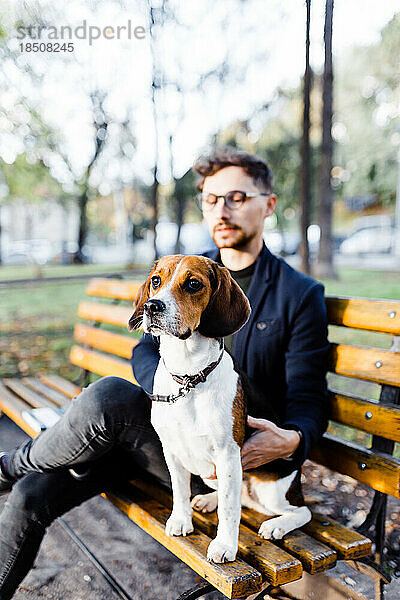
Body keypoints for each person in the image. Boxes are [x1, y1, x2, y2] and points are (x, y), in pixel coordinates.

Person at [0, 147, 329, 599]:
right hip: (163, 435)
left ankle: (9, 464)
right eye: (210, 199)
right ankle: (17, 473)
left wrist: (291, 439)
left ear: (268, 204)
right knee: (30, 495)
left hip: (224, 458)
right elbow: (144, 350)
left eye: (235, 197)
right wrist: (166, 388)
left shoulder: (298, 294)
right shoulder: (180, 269)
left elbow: (310, 399)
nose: (221, 210)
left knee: (109, 399)